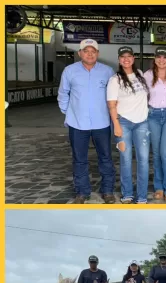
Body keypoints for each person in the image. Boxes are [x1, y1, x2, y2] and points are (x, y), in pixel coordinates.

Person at [57, 38, 116, 204]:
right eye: (86, 51)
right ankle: (82, 192)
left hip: (102, 123)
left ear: (97, 53)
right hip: (77, 123)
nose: (90, 54)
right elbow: (63, 94)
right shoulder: (69, 71)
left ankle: (108, 191)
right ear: (80, 53)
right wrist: (68, 112)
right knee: (79, 159)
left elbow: (113, 96)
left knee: (105, 158)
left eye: (93, 51)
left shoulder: (108, 71)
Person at [107, 46, 150, 204]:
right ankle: (127, 194)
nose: (126, 59)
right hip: (123, 123)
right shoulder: (115, 79)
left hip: (142, 123)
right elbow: (111, 104)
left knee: (143, 160)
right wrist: (116, 125)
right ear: (119, 60)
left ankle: (142, 196)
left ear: (133, 58)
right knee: (125, 159)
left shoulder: (140, 75)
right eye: (123, 57)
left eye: (129, 56)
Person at [144, 46, 166, 202]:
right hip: (153, 115)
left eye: (165, 57)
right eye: (159, 57)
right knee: (157, 152)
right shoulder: (147, 75)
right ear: (154, 58)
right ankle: (158, 187)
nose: (162, 60)